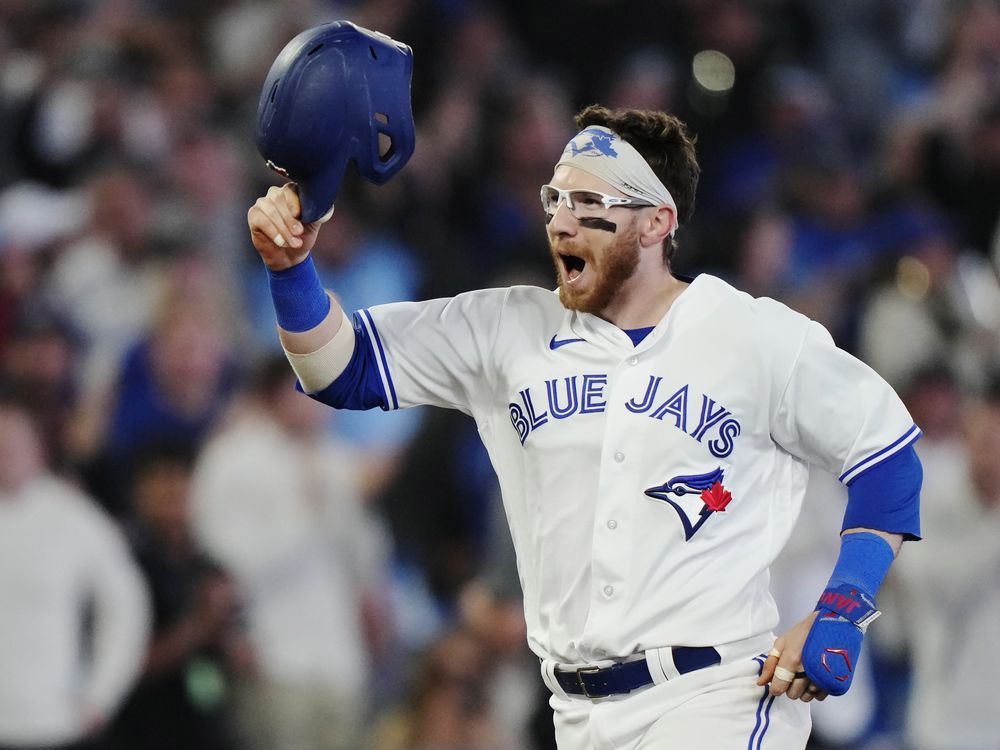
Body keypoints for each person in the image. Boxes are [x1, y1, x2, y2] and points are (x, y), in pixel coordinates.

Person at [247, 104, 922, 749]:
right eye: (555, 201)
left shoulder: (756, 337)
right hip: (576, 712)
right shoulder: (509, 328)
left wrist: (843, 605)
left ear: (658, 222)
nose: (562, 224)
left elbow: (887, 454)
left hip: (714, 698)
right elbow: (341, 368)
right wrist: (291, 268)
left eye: (589, 207)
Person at [0, 395, 151, 750]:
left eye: (12, 444)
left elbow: (125, 605)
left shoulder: (74, 517)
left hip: (51, 721)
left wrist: (101, 694)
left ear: (37, 447)